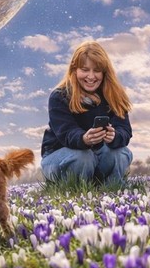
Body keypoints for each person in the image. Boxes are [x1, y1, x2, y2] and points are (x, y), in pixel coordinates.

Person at [40, 40, 133, 186]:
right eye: (84, 69)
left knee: (119, 153)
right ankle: (76, 190)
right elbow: (66, 133)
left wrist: (114, 136)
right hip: (61, 155)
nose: (91, 76)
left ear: (104, 72)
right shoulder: (59, 96)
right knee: (82, 157)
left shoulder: (114, 95)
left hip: (98, 155)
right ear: (74, 70)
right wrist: (84, 138)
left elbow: (125, 130)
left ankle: (110, 190)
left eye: (96, 70)